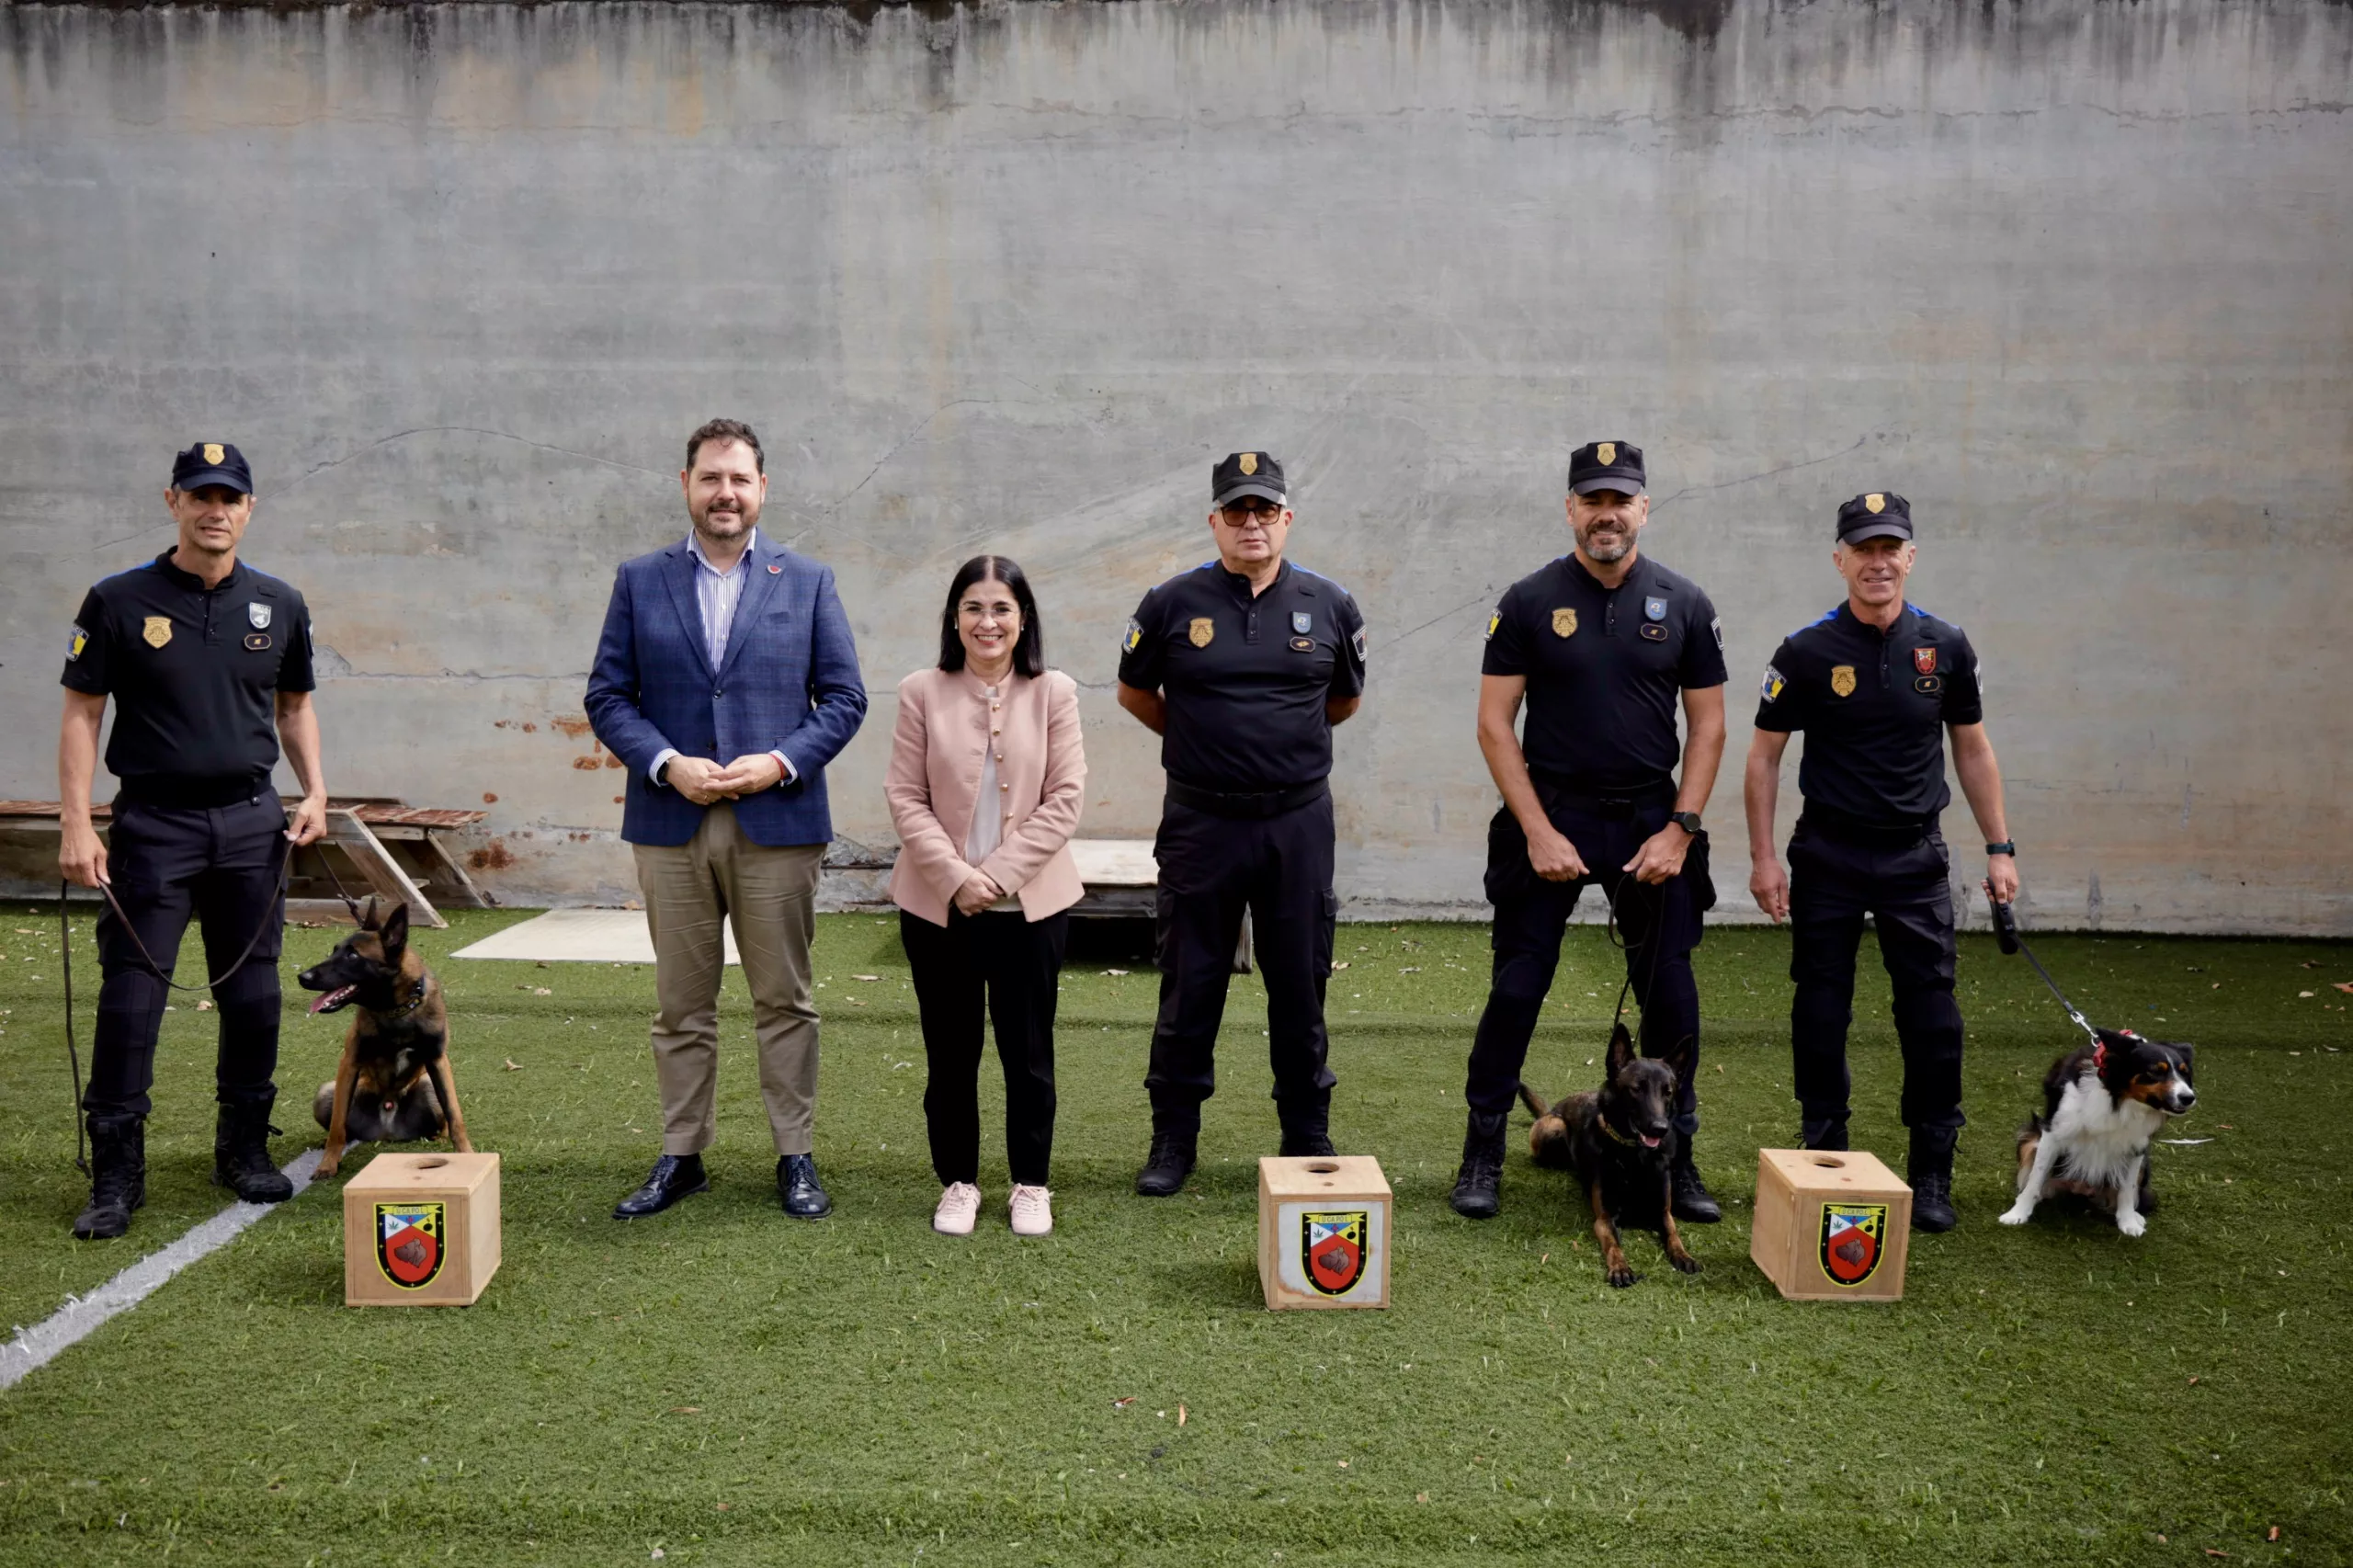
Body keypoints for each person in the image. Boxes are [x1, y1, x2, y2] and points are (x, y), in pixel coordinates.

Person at [586, 418, 868, 1221]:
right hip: (670, 823)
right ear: (686, 485)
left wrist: (780, 761)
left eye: (740, 479)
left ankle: (796, 1155)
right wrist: (667, 762)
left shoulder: (807, 580)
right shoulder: (640, 580)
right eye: (711, 478)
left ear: (762, 489)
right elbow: (607, 696)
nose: (726, 493)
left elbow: (845, 698)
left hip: (776, 822)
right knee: (682, 1006)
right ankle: (683, 1156)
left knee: (786, 999)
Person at [1451, 440, 1729, 1223]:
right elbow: (1494, 724)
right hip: (1555, 815)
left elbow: (1707, 730)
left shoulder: (1685, 602)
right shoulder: (1530, 601)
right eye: (1592, 499)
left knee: (1670, 998)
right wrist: (1536, 829)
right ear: (1571, 508)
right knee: (1516, 989)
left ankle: (1681, 1154)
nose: (1607, 514)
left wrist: (1679, 831)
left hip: (1650, 819)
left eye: (1622, 499)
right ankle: (1480, 1154)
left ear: (1644, 507)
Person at [57, 441, 329, 1240]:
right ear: (172, 501)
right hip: (154, 824)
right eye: (201, 496)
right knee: (132, 998)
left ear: (250, 509)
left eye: (231, 498)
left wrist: (314, 790)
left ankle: (243, 1148)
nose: (217, 511)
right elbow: (82, 713)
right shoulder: (116, 600)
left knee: (252, 995)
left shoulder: (279, 603)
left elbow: (294, 706)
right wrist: (76, 824)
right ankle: (115, 1173)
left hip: (252, 820)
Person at [1744, 490, 2019, 1233]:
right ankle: (1823, 1151)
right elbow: (1764, 759)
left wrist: (1999, 846)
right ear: (1840, 560)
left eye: (1888, 548)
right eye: (1862, 549)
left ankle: (1932, 1170)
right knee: (1821, 1008)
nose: (1877, 562)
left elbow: (1972, 747)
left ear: (1910, 557)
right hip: (1827, 852)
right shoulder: (1804, 651)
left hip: (1914, 856)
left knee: (1932, 1016)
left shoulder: (1947, 646)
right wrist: (1766, 858)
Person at [1116, 451, 1368, 1197]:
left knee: (1300, 979)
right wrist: (1204, 748)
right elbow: (1136, 694)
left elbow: (1342, 701)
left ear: (1286, 519)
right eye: (1237, 511)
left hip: (1296, 824)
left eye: (1264, 511)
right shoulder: (1169, 603)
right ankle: (1173, 1137)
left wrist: (1274, 753)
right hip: (1202, 823)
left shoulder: (1330, 604)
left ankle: (1305, 1128)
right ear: (1214, 522)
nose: (1251, 523)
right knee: (1190, 983)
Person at [886, 557, 1086, 1237]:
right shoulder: (921, 691)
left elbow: (1065, 801)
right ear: (954, 618)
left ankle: (1031, 1181)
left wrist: (995, 877)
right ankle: (959, 1181)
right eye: (973, 607)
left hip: (1030, 909)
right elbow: (905, 798)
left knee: (1029, 1053)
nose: (987, 621)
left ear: (1022, 618)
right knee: (950, 1051)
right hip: (938, 909)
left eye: (1001, 608)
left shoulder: (1054, 692)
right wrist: (956, 878)